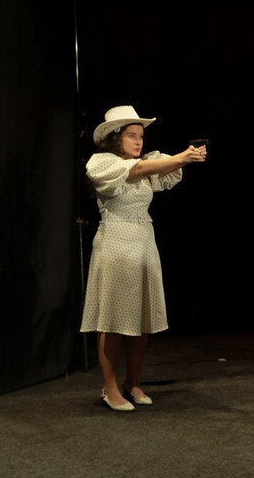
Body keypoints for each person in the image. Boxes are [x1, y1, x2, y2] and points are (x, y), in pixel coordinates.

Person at [80, 105, 207, 412]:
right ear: (115, 138)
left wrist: (183, 158)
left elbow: (156, 169)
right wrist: (182, 157)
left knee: (142, 319)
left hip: (143, 242)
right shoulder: (103, 163)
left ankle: (133, 383)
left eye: (140, 136)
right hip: (115, 243)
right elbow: (135, 171)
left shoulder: (146, 162)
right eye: (131, 136)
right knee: (112, 320)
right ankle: (110, 388)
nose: (138, 141)